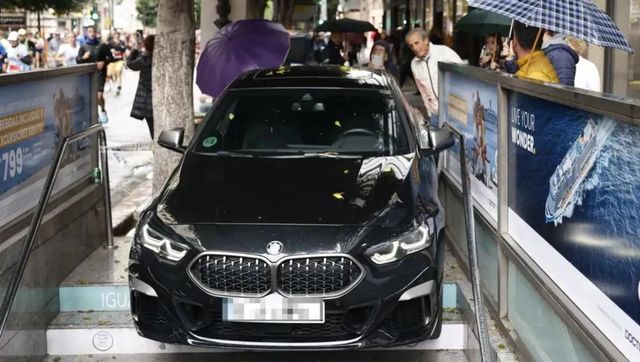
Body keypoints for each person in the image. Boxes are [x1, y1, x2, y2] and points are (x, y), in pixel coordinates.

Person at [405, 28, 463, 120]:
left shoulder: (444, 52)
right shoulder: (414, 64)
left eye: (417, 43)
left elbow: (462, 73)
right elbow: (422, 91)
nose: (415, 48)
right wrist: (429, 112)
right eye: (411, 46)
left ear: (426, 40)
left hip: (453, 112)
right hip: (434, 114)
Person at [77, 25, 113, 124]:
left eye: (93, 32)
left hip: (100, 74)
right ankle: (96, 116)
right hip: (88, 75)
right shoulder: (84, 47)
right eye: (89, 32)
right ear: (87, 33)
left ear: (96, 33)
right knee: (92, 97)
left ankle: (102, 110)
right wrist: (84, 57)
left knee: (99, 96)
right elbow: (78, 60)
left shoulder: (102, 45)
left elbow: (111, 57)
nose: (92, 33)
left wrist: (104, 62)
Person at [127, 35, 155, 138]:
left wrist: (135, 49)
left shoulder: (144, 60)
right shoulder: (162, 60)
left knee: (153, 131)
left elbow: (130, 63)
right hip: (160, 100)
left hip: (146, 103)